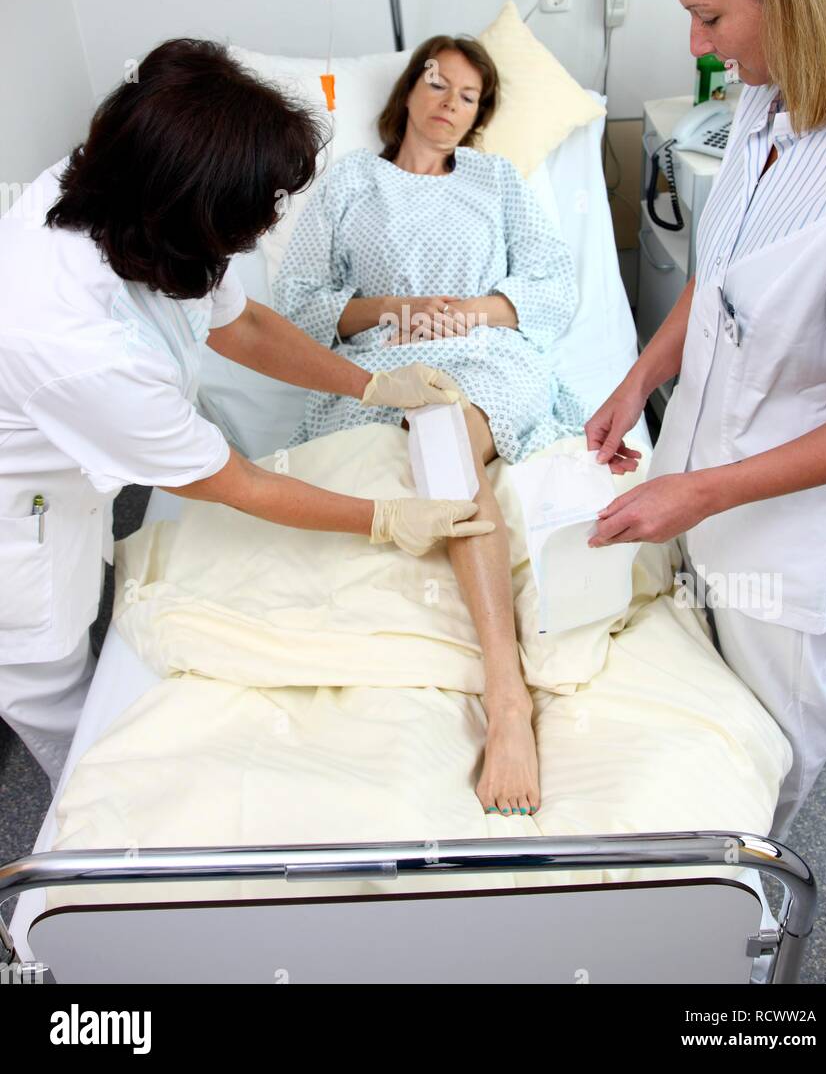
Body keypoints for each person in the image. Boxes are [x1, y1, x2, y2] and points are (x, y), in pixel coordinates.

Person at [0, 39, 492, 791]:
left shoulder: (134, 190)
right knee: (61, 697)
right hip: (17, 519)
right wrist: (385, 519)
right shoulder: (79, 344)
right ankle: (91, 857)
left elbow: (245, 325)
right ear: (191, 216)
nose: (261, 236)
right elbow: (235, 482)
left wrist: (371, 386)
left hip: (71, 462)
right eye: (249, 222)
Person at [585, 0, 826, 840]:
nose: (703, 42)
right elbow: (723, 274)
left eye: (713, 16)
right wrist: (637, 379)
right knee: (703, 718)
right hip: (702, 475)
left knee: (764, 763)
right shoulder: (760, 97)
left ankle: (752, 924)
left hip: (780, 540)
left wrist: (694, 490)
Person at [273, 35, 589, 818]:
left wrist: (476, 309)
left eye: (469, 97)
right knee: (426, 428)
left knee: (447, 435)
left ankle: (506, 695)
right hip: (386, 362)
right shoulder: (350, 183)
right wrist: (394, 311)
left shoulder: (495, 181)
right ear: (409, 92)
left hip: (488, 355)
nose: (450, 104)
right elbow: (299, 304)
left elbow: (553, 281)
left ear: (480, 117)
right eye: (437, 84)